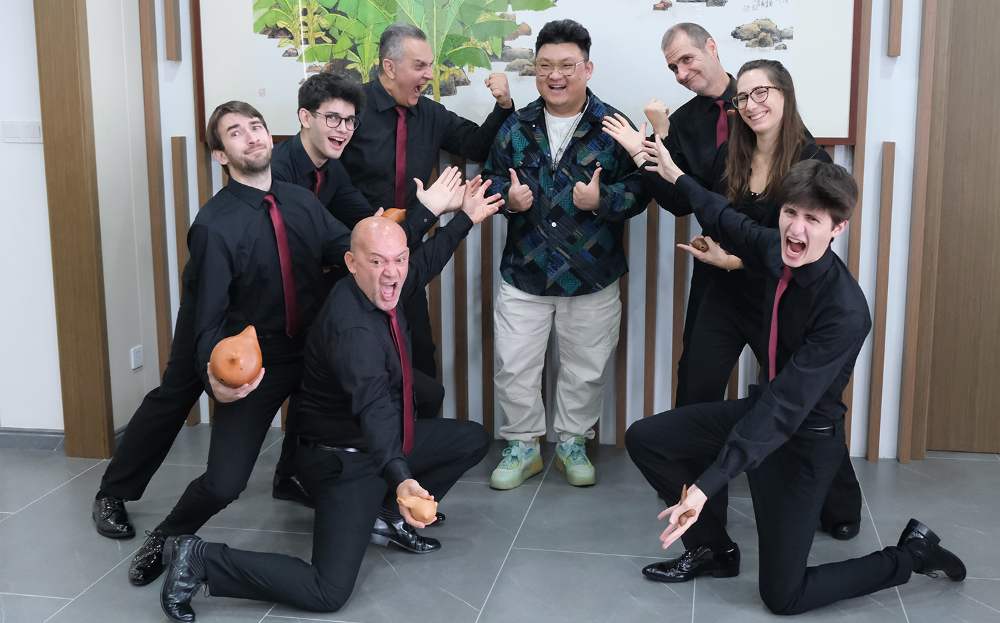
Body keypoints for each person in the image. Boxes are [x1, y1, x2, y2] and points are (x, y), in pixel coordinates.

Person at [90, 79, 454, 541]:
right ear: (220, 155)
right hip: (233, 332)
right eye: (236, 133)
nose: (251, 137)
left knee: (373, 390)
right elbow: (210, 315)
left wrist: (426, 212)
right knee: (176, 397)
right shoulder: (216, 224)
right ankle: (114, 491)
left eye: (256, 127)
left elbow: (359, 249)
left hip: (299, 336)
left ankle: (301, 478)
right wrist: (213, 373)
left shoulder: (302, 198)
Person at [625, 154, 966, 613]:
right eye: (790, 213)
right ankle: (714, 550)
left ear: (838, 228)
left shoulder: (845, 313)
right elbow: (725, 218)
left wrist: (705, 488)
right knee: (646, 438)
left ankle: (912, 555)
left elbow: (786, 406)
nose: (796, 228)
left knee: (784, 596)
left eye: (812, 219)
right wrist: (677, 176)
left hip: (804, 441)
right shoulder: (777, 247)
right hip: (762, 413)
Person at [157, 180, 502, 623]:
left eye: (399, 259)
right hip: (342, 461)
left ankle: (383, 517)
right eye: (377, 261)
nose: (392, 272)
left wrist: (465, 219)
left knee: (470, 439)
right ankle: (200, 559)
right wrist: (401, 480)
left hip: (370, 445)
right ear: (351, 263)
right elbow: (375, 410)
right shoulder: (353, 331)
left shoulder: (383, 286)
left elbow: (426, 262)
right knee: (328, 591)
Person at [604, 56, 863, 541]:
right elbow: (697, 202)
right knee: (695, 388)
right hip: (720, 292)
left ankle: (841, 501)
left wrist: (737, 261)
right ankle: (697, 507)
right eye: (742, 96)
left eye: (762, 92)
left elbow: (796, 251)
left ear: (785, 94)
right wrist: (645, 153)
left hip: (778, 297)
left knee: (804, 404)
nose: (751, 104)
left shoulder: (813, 162)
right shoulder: (732, 152)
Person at [482, 19, 645, 490]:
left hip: (591, 273)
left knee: (585, 369)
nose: (556, 75)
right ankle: (523, 446)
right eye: (545, 66)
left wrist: (603, 200)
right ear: (535, 70)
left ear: (587, 69)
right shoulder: (516, 125)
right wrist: (507, 199)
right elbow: (492, 177)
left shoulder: (614, 126)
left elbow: (642, 187)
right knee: (514, 365)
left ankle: (573, 443)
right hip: (525, 271)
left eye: (567, 65)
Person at [339, 22, 516, 379]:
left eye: (430, 65)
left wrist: (503, 106)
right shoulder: (351, 109)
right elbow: (329, 176)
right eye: (420, 66)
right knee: (356, 357)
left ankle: (419, 416)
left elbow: (476, 146)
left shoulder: (431, 114)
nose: (430, 75)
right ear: (390, 67)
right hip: (353, 253)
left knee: (419, 355)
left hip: (409, 252)